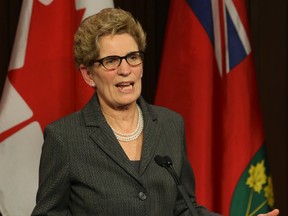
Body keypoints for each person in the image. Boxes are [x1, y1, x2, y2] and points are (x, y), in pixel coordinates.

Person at [31, 8, 279, 216]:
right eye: (111, 61)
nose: (125, 70)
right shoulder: (65, 138)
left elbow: (184, 208)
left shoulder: (170, 125)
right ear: (88, 74)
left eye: (133, 57)